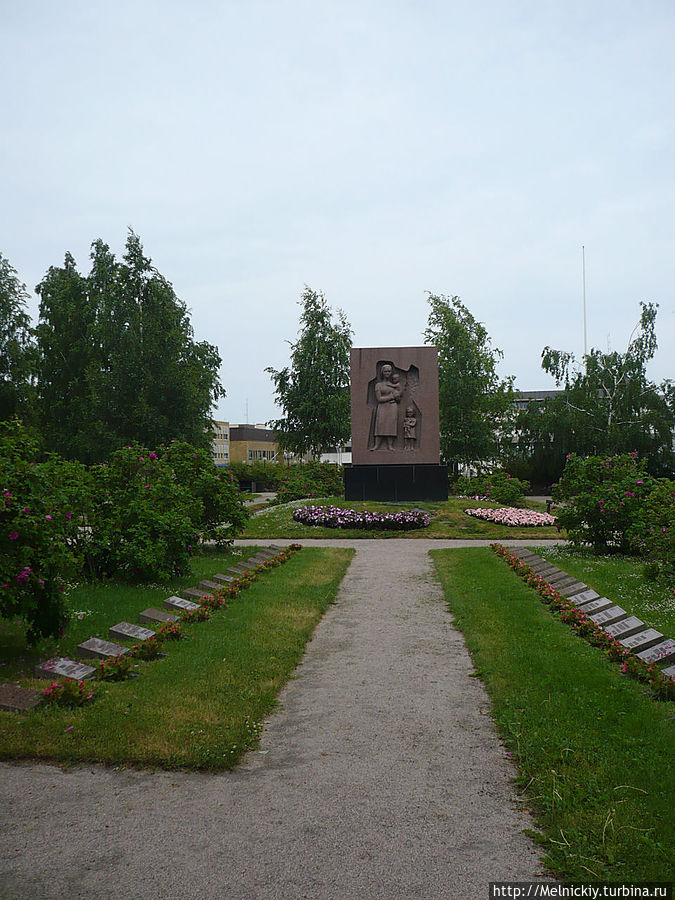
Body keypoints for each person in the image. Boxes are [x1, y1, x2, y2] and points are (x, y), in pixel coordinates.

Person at [370, 364, 401, 450]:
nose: (387, 373)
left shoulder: (394, 385)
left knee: (391, 425)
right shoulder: (378, 385)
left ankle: (390, 445)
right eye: (385, 371)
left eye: (389, 371)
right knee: (380, 424)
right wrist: (391, 397)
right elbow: (379, 399)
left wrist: (397, 396)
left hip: (392, 407)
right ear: (382, 372)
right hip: (382, 407)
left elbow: (398, 399)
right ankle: (376, 445)